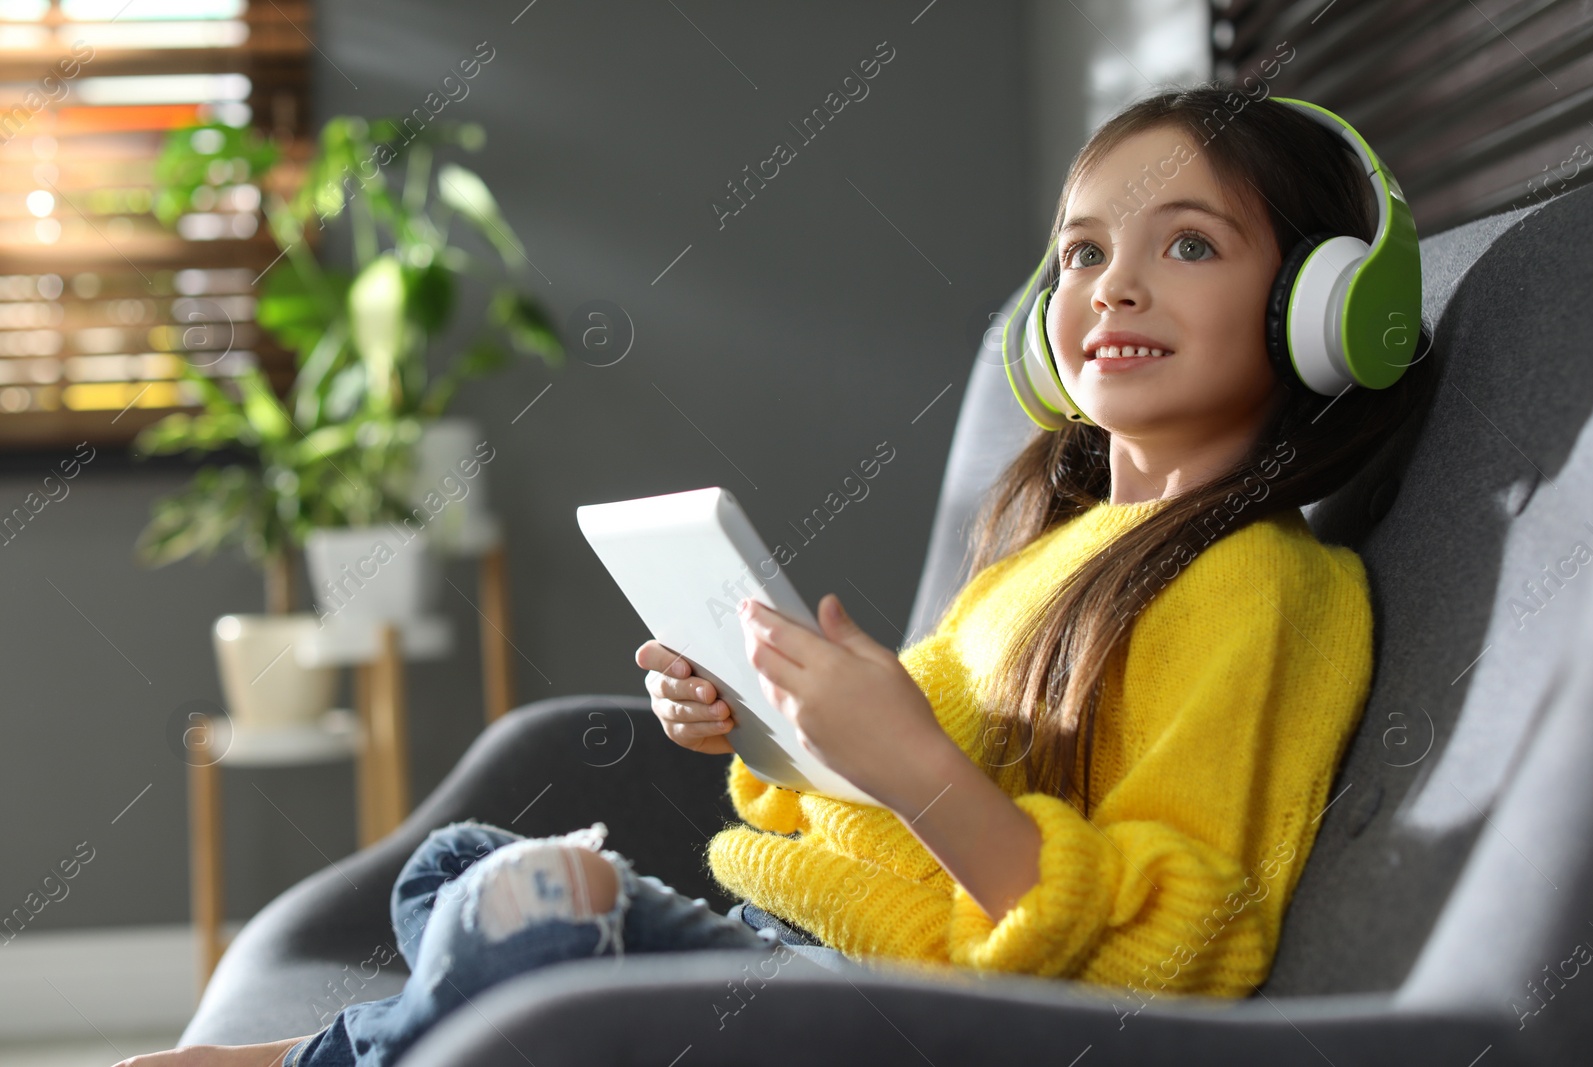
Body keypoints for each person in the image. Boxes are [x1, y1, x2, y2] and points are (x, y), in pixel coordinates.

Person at [115, 81, 1440, 1067]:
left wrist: (912, 765)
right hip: (816, 955)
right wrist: (766, 728)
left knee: (537, 914)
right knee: (464, 864)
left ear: (1317, 312)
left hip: (938, 1027)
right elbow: (880, 799)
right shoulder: (1058, 547)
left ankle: (324, 1059)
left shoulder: (1259, 588)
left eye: (1190, 246)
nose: (1116, 288)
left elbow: (1181, 952)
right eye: (1086, 250)